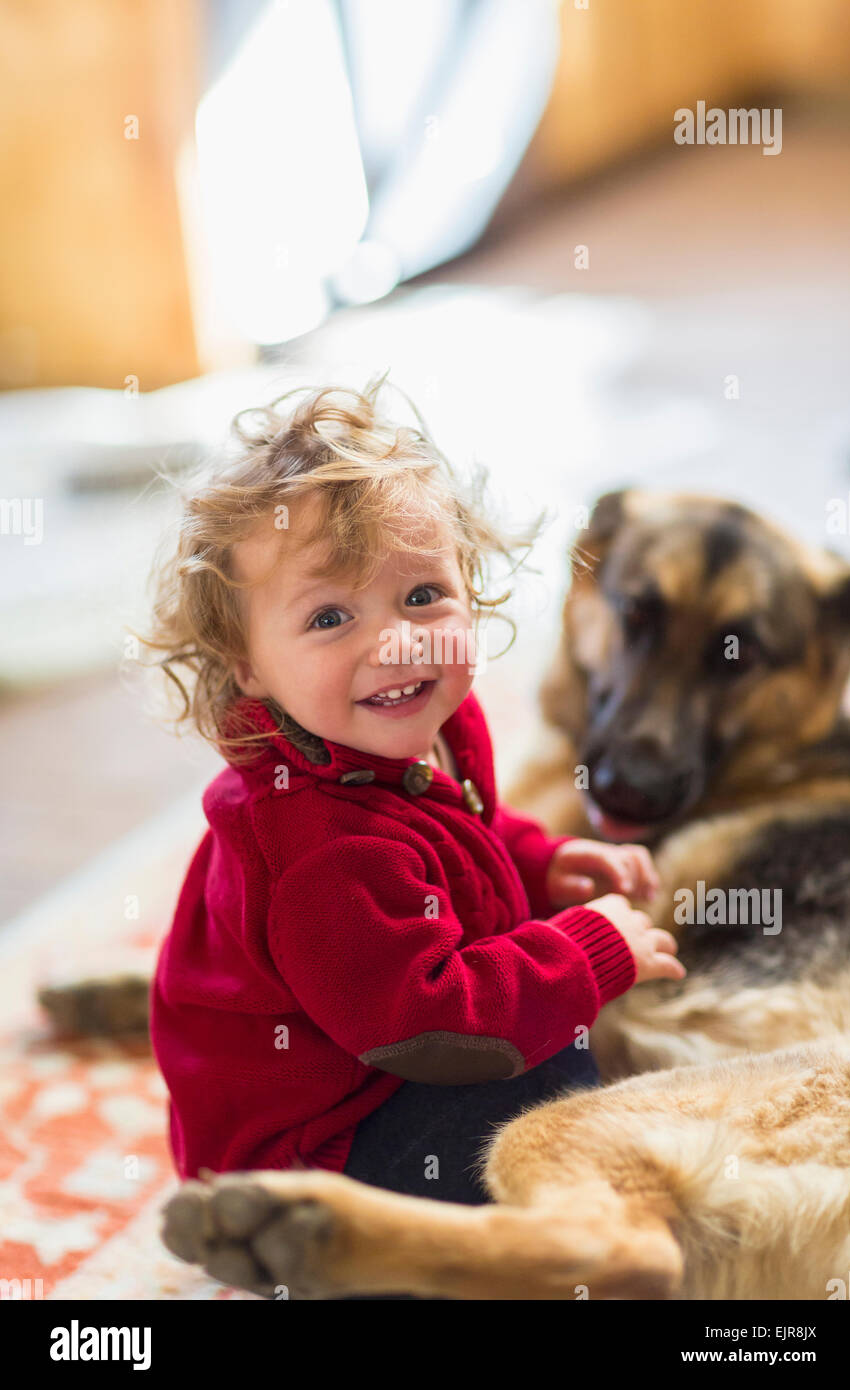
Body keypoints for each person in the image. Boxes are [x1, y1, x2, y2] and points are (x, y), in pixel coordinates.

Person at [145, 373, 684, 1221]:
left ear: (470, 588)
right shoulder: (318, 846)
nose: (395, 642)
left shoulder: (421, 724)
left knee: (571, 1054)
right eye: (329, 618)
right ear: (245, 664)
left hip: (380, 1070)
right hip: (311, 1155)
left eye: (422, 596)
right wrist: (585, 955)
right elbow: (430, 1024)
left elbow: (462, 836)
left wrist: (541, 866)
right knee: (562, 1105)